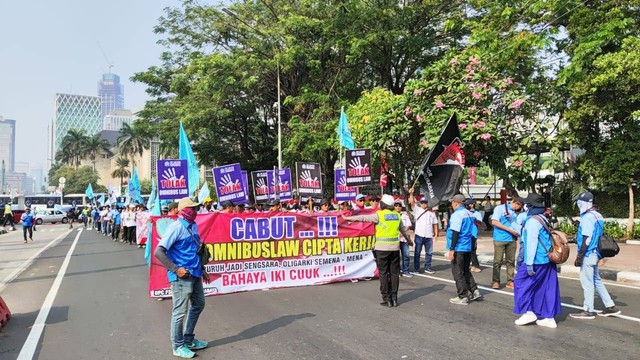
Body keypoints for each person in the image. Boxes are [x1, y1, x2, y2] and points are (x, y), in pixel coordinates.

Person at [154, 197, 209, 358]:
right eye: (192, 208)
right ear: (184, 210)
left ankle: (188, 339)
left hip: (195, 273)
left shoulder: (194, 226)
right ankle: (177, 346)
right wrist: (176, 269)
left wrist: (203, 269)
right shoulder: (176, 227)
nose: (195, 211)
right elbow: (159, 251)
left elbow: (195, 250)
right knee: (179, 312)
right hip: (181, 277)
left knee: (199, 304)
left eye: (196, 208)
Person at [341, 194, 413, 307]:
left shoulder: (379, 215)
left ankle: (387, 299)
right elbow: (403, 230)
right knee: (394, 274)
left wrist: (347, 218)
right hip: (394, 248)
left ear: (383, 204)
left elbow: (363, 218)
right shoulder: (397, 215)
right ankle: (394, 298)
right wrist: (409, 240)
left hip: (382, 249)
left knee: (383, 273)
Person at [569, 191, 621, 319]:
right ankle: (610, 306)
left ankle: (588, 310)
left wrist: (579, 256)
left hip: (588, 254)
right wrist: (580, 226)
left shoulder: (587, 217)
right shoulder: (598, 215)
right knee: (596, 280)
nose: (578, 205)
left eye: (579, 203)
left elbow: (587, 239)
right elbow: (595, 233)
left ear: (584, 203)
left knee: (587, 282)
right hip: (596, 253)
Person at [513, 193, 561, 328]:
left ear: (530, 206)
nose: (525, 206)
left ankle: (528, 312)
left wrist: (528, 264)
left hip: (536, 260)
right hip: (547, 259)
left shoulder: (532, 221)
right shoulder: (542, 218)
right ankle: (549, 317)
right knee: (547, 287)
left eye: (526, 204)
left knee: (520, 282)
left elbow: (532, 243)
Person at [446, 194, 482, 305]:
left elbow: (455, 232)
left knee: (458, 272)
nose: (451, 204)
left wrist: (452, 249)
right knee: (465, 270)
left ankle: (462, 296)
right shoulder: (470, 214)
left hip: (459, 247)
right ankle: (474, 290)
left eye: (452, 202)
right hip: (467, 246)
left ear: (456, 203)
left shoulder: (457, 215)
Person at [490, 197, 524, 289]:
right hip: (500, 238)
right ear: (516, 203)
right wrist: (510, 230)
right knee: (498, 261)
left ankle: (510, 281)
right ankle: (495, 281)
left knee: (511, 261)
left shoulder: (515, 213)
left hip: (512, 239)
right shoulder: (500, 208)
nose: (519, 208)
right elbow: (494, 222)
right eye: (519, 206)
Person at [408, 188, 439, 274]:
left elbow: (435, 224)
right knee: (417, 253)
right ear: (420, 203)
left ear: (427, 203)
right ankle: (416, 269)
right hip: (419, 235)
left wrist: (436, 234)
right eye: (422, 203)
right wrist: (411, 194)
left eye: (425, 202)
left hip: (429, 236)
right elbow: (412, 203)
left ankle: (428, 267)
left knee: (429, 253)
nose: (424, 204)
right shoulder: (417, 210)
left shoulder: (431, 213)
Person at [465, 198, 483, 273]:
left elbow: (479, 223)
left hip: (472, 234)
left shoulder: (476, 213)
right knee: (465, 251)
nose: (469, 206)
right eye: (467, 204)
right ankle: (466, 265)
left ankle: (475, 265)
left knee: (472, 251)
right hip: (464, 234)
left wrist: (472, 217)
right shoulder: (463, 213)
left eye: (470, 204)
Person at [396, 201, 413, 278]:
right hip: (395, 239)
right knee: (396, 257)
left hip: (404, 238)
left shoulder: (405, 215)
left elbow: (408, 225)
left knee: (406, 255)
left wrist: (402, 233)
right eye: (396, 205)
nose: (398, 207)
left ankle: (406, 270)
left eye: (399, 205)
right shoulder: (392, 215)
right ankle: (397, 271)